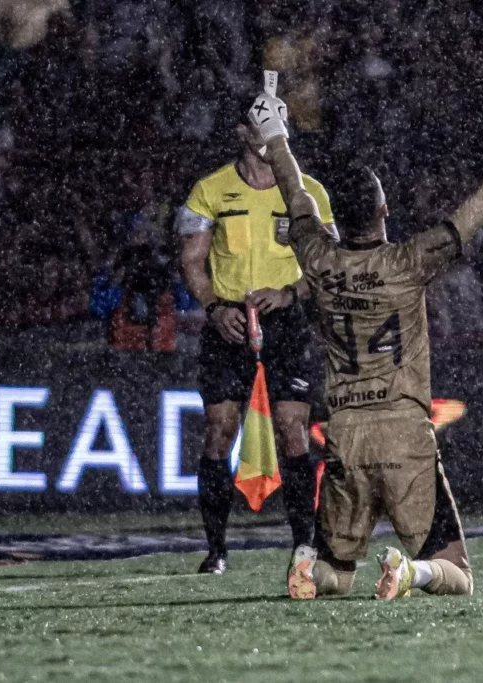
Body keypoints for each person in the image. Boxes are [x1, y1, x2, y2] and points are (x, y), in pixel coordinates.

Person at [247, 75, 483, 599]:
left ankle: (311, 565)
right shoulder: (409, 261)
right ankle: (411, 571)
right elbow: (482, 204)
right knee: (458, 575)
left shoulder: (319, 258)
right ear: (382, 211)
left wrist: (276, 135)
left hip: (345, 432)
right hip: (402, 432)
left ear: (337, 222)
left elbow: (297, 195)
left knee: (337, 574)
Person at [177, 97, 336, 576]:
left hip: (285, 323)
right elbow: (191, 262)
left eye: (279, 125)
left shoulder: (307, 192)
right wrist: (212, 308)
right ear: (243, 132)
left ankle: (304, 547)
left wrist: (290, 294)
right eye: (261, 125)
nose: (270, 133)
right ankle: (216, 549)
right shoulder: (210, 190)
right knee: (219, 432)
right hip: (228, 322)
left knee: (293, 433)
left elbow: (327, 265)